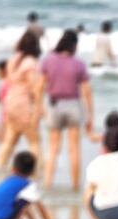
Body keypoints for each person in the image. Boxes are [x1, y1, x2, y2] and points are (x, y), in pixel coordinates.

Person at [41, 29, 94, 209]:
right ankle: (75, 187)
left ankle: (47, 185)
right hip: (73, 106)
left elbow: (40, 86)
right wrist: (90, 116)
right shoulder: (78, 64)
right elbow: (87, 92)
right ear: (74, 45)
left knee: (53, 149)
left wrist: (39, 109)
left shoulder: (48, 60)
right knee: (74, 150)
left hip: (54, 105)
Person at [0, 31, 43, 173]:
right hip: (23, 103)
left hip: (10, 101)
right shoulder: (30, 63)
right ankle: (36, 173)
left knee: (9, 141)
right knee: (34, 141)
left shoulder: (14, 60)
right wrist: (38, 109)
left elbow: (10, 80)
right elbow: (33, 86)